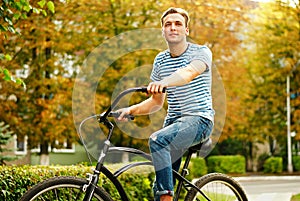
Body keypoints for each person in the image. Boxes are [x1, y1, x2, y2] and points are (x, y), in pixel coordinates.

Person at [117, 7, 214, 201]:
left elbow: (188, 73)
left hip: (200, 120)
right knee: (159, 187)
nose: (173, 27)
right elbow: (155, 103)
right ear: (162, 31)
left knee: (157, 141)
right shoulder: (160, 60)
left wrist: (164, 82)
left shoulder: (201, 52)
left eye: (178, 23)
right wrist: (130, 109)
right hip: (173, 124)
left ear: (186, 30)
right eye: (168, 24)